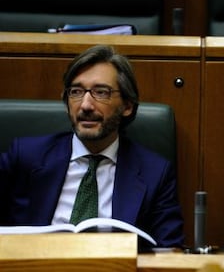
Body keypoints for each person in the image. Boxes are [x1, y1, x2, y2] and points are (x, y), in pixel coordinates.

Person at [0, 44, 184, 250]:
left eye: (101, 92)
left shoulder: (155, 173)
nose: (86, 105)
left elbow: (170, 251)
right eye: (76, 92)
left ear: (127, 106)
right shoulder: (25, 156)